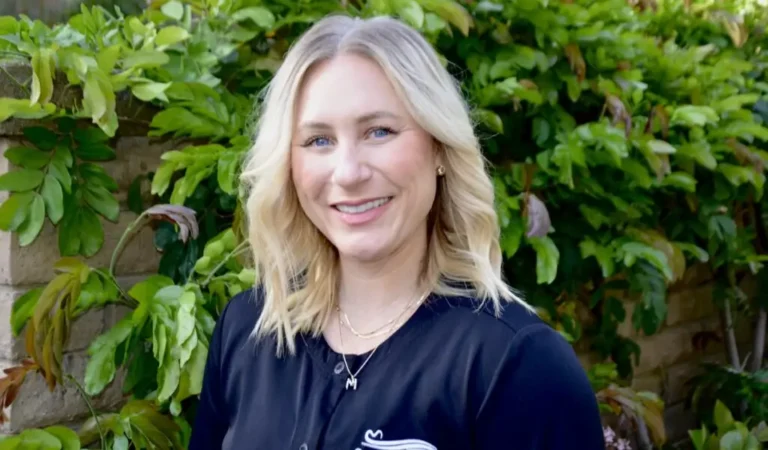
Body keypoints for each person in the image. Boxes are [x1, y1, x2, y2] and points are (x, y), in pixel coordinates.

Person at [189, 13, 605, 450]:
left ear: (439, 147)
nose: (348, 173)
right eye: (318, 140)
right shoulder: (248, 329)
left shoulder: (516, 366)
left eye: (379, 131)